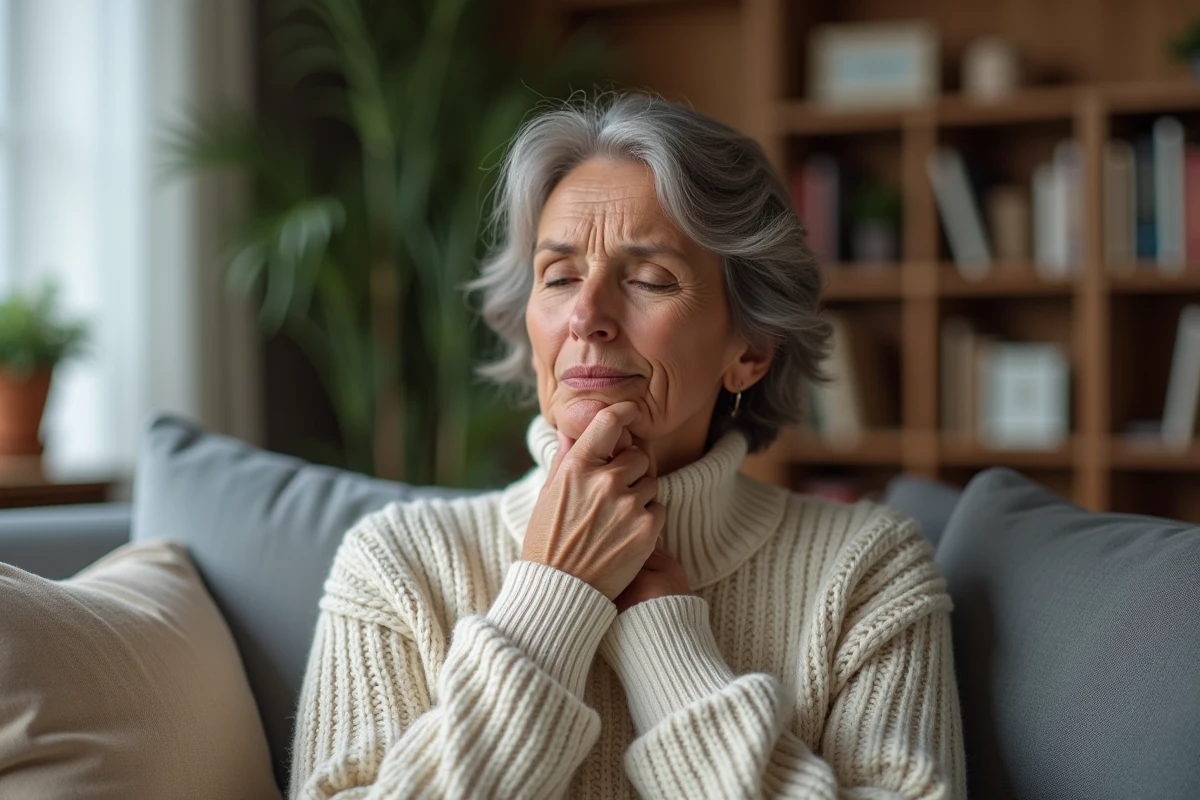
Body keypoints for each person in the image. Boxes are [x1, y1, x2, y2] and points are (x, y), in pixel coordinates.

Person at [288, 91, 966, 799]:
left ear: (752, 349)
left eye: (648, 279)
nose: (586, 316)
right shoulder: (395, 565)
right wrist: (553, 600)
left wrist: (667, 647)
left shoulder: (869, 571)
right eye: (559, 276)